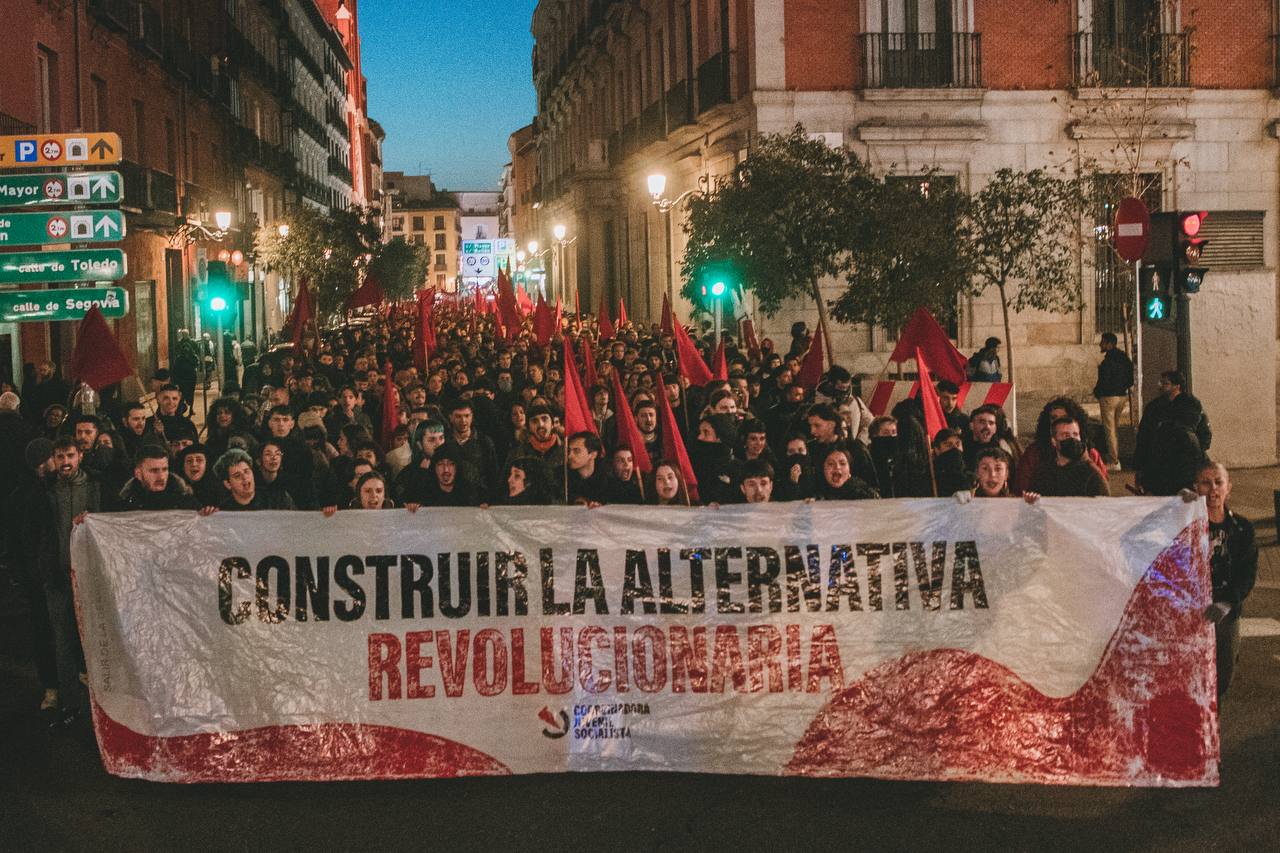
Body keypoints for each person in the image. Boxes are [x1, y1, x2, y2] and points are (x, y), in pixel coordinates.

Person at [31, 437, 110, 727]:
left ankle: (103, 706)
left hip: (90, 576)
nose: (66, 462)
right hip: (58, 576)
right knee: (63, 641)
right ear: (54, 458)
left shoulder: (97, 486)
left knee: (96, 639)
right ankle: (70, 705)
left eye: (70, 455)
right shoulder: (45, 491)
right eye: (60, 456)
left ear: (80, 456)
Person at [1194, 461, 1258, 699]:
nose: (1213, 489)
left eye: (1218, 482)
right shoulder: (1186, 526)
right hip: (1192, 613)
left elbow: (1247, 573)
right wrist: (1175, 508)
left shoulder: (1242, 529)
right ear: (1196, 487)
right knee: (1193, 680)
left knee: (1221, 678)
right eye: (1205, 483)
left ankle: (1214, 720)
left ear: (1228, 487)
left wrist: (1228, 602)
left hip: (1224, 613)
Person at [1135, 371, 1210, 496]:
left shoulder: (1191, 406)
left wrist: (1198, 453)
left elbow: (1202, 433)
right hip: (1158, 465)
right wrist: (1140, 467)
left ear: (1177, 386)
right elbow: (1144, 436)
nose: (1160, 386)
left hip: (1185, 465)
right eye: (1160, 382)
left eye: (1165, 383)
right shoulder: (1154, 407)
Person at [1029, 416, 1109, 497]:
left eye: (1075, 434)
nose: (1072, 439)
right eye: (1065, 435)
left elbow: (1103, 501)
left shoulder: (1091, 473)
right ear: (1054, 441)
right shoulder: (1043, 473)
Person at [115, 445, 201, 511]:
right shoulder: (124, 505)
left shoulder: (186, 502)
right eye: (154, 470)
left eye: (164, 469)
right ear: (138, 474)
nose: (161, 476)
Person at [1093, 332, 1134, 471]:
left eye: (1103, 342)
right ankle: (1115, 457)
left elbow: (1103, 381)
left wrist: (1098, 392)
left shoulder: (1108, 362)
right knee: (1114, 428)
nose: (1100, 344)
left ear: (1110, 344)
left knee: (1110, 430)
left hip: (1108, 397)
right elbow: (1130, 379)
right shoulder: (1124, 359)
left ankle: (1114, 460)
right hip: (1121, 396)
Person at [214, 448, 296, 511]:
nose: (244, 477)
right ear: (228, 484)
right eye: (237, 476)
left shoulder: (279, 499)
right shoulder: (222, 512)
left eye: (246, 471)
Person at [813, 446, 880, 501]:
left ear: (849, 470)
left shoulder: (864, 494)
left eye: (842, 463)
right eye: (831, 464)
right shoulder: (815, 495)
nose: (837, 467)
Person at [565, 431, 610, 505]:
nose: (569, 456)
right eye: (569, 451)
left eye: (576, 451)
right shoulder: (562, 476)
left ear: (593, 455)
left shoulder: (607, 479)